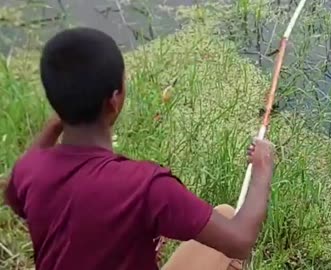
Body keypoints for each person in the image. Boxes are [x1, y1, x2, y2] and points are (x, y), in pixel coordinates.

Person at [3, 27, 275, 270]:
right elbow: (239, 240)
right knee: (228, 220)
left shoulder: (32, 169)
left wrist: (59, 119)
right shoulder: (146, 188)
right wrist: (262, 169)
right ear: (114, 100)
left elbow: (14, 195)